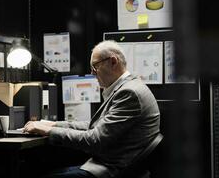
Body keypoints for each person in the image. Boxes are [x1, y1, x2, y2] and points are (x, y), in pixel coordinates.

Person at [24, 40, 160, 178]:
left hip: (112, 171)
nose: (92, 73)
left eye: (95, 66)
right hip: (110, 166)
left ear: (113, 62)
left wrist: (49, 131)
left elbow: (95, 140)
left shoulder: (129, 93)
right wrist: (53, 124)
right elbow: (94, 126)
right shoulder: (128, 88)